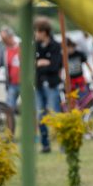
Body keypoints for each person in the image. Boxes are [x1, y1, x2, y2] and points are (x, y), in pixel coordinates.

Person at [34, 17, 63, 153]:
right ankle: (45, 145)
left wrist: (42, 64)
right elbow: (31, 64)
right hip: (38, 85)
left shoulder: (56, 46)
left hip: (52, 85)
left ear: (44, 32)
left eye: (37, 31)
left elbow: (55, 66)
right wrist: (41, 63)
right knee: (41, 115)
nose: (35, 34)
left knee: (55, 114)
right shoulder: (35, 46)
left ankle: (63, 144)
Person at [0, 25, 21, 110]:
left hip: (25, 83)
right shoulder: (4, 51)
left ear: (11, 37)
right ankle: (10, 123)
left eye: (5, 39)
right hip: (12, 84)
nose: (3, 41)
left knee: (30, 108)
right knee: (9, 107)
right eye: (2, 39)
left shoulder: (21, 47)